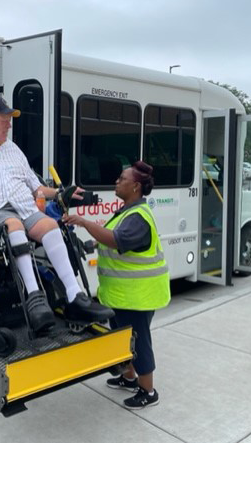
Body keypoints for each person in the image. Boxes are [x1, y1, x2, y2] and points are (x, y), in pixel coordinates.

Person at [0, 95, 113, 334]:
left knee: (51, 226)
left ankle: (75, 298)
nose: (9, 125)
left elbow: (36, 188)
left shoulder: (13, 149)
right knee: (14, 225)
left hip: (24, 206)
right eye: (4, 120)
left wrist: (61, 193)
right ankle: (34, 299)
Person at [63, 160, 170, 409]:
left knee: (138, 341)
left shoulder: (138, 217)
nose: (117, 182)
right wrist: (89, 245)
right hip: (122, 295)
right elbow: (111, 239)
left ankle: (148, 390)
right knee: (124, 339)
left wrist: (85, 223)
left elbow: (116, 239)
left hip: (138, 296)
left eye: (121, 179)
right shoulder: (126, 211)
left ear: (135, 186)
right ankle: (129, 377)